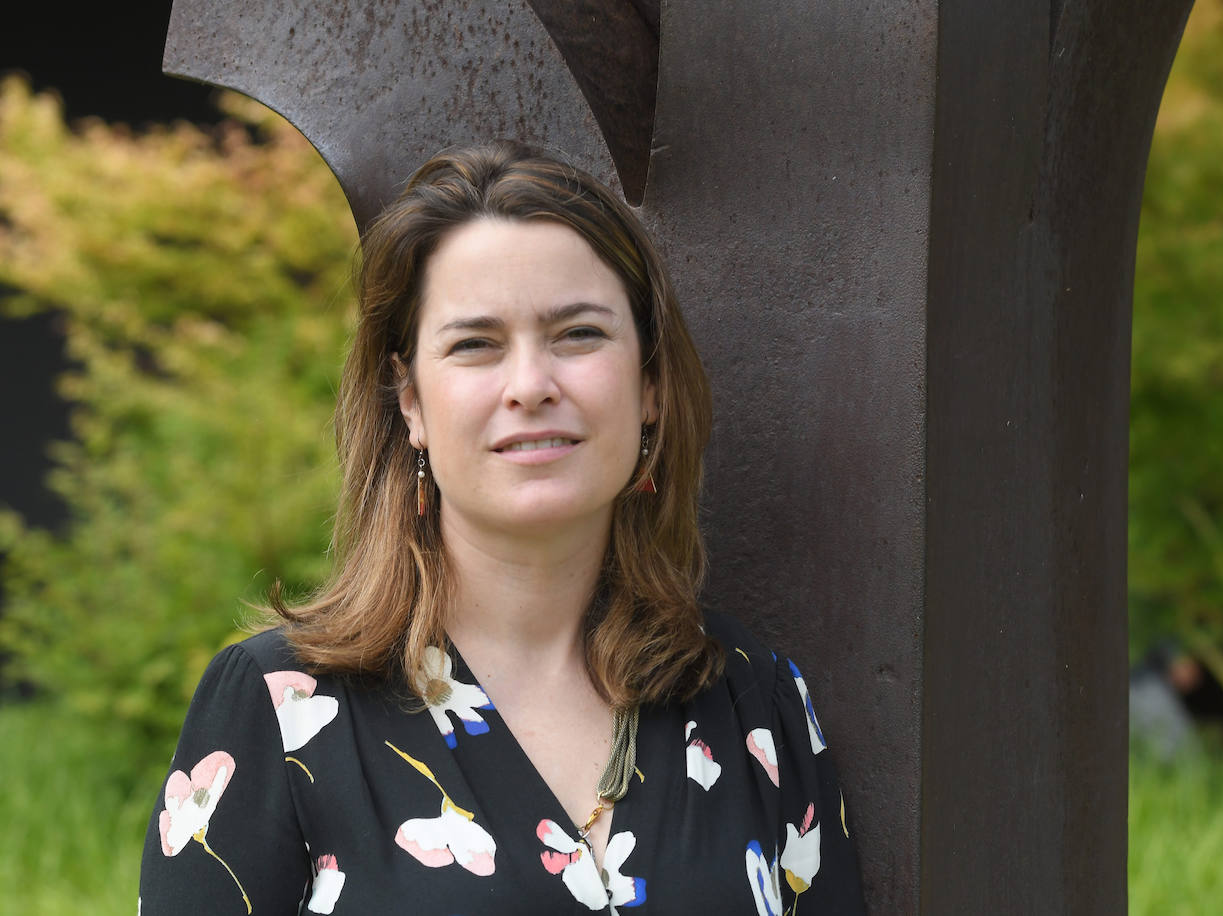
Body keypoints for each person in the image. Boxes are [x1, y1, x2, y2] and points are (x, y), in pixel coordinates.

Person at [139, 141, 864, 914]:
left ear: (650, 384)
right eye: (475, 345)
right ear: (410, 400)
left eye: (578, 334)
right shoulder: (282, 713)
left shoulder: (755, 700)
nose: (530, 386)